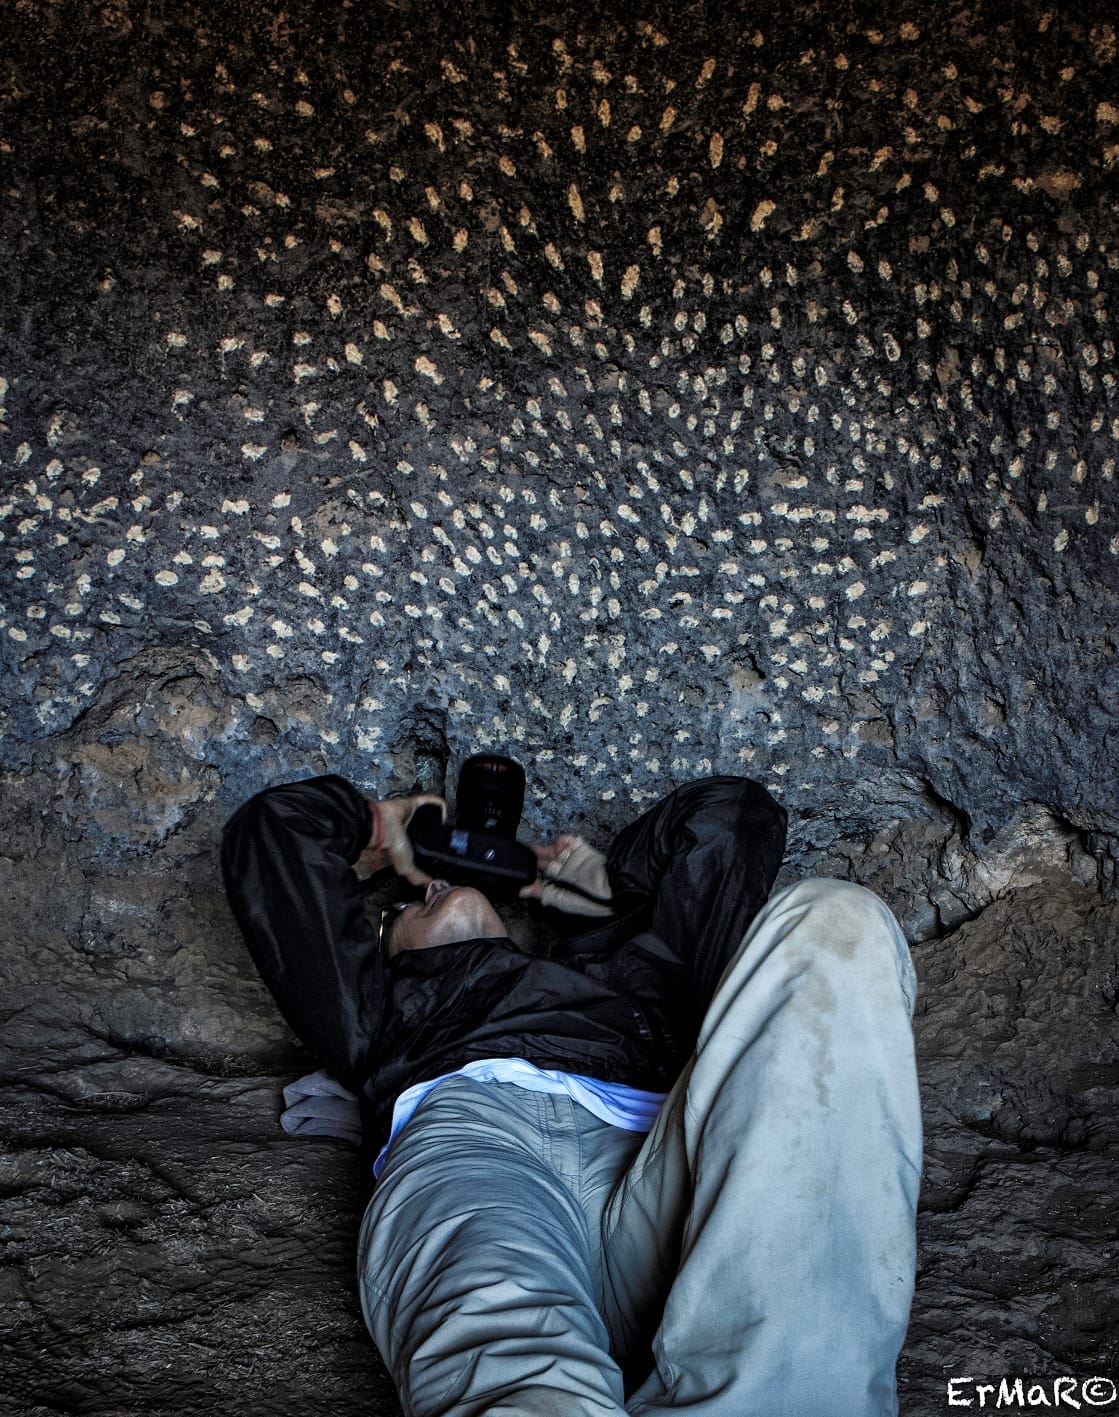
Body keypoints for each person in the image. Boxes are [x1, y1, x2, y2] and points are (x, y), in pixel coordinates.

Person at [222, 770, 922, 1417]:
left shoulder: (635, 982)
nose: (427, 888)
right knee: (518, 1370)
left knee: (837, 920)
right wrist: (385, 826)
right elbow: (274, 831)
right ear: (379, 951)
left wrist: (608, 887)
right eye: (400, 908)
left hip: (665, 1193)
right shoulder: (378, 1015)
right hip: (479, 1151)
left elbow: (733, 814)